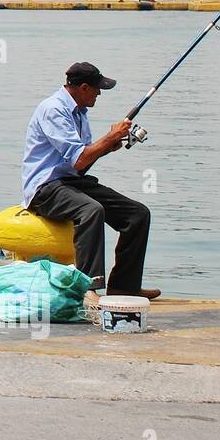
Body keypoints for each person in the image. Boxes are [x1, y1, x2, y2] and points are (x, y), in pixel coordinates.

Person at [21, 62, 159, 301]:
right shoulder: (53, 109)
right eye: (97, 89)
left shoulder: (80, 113)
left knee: (137, 214)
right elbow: (79, 159)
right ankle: (87, 287)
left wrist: (108, 146)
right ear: (83, 88)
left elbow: (82, 163)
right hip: (45, 188)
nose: (100, 93)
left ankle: (124, 286)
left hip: (71, 182)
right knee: (91, 210)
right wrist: (109, 137)